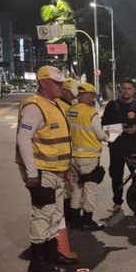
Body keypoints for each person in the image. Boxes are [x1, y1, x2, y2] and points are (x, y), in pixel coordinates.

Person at [16, 65, 77, 272]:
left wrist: (66, 167)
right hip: (42, 171)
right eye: (56, 82)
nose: (61, 86)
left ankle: (52, 252)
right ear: (43, 83)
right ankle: (38, 259)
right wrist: (32, 173)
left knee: (56, 213)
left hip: (56, 170)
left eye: (61, 82)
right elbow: (24, 138)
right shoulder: (35, 106)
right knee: (42, 214)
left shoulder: (54, 104)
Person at [100, 77, 136, 213]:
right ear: (120, 89)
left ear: (134, 91)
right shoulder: (111, 106)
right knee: (116, 175)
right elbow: (103, 126)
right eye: (124, 88)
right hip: (116, 148)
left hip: (134, 147)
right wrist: (118, 128)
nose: (126, 91)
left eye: (129, 88)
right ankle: (117, 202)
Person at [66, 82, 110, 230]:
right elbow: (100, 134)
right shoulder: (91, 113)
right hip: (89, 158)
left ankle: (74, 220)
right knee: (90, 189)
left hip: (73, 157)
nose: (93, 99)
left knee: (76, 188)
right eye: (92, 96)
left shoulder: (70, 111)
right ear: (89, 95)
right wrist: (108, 135)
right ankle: (87, 220)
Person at [57, 78, 78, 227]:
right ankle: (66, 217)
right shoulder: (62, 107)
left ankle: (67, 215)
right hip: (62, 154)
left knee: (68, 187)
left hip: (67, 151)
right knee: (66, 188)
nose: (73, 96)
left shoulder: (68, 105)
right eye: (71, 93)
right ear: (64, 90)